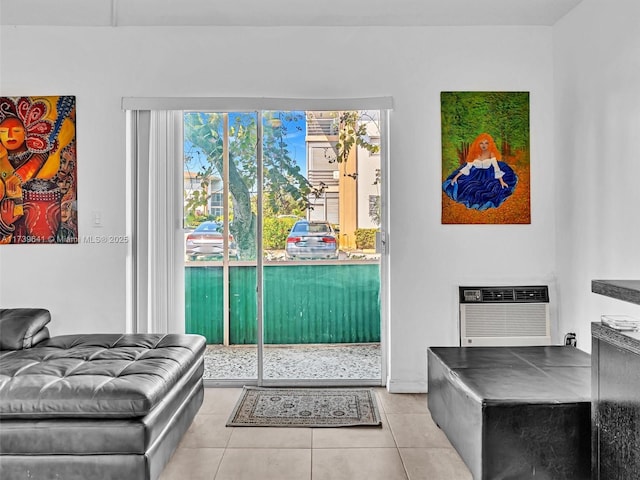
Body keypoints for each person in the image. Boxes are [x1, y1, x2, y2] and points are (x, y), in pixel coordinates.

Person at [442, 132, 517, 210]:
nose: (484, 145)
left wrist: (501, 181)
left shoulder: (491, 154)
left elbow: (496, 168)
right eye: (481, 143)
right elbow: (468, 167)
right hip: (475, 174)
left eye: (486, 143)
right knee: (468, 187)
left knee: (491, 190)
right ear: (478, 144)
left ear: (489, 144)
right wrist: (456, 177)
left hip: (488, 174)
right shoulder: (474, 154)